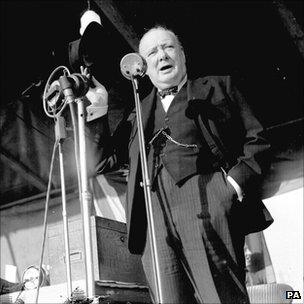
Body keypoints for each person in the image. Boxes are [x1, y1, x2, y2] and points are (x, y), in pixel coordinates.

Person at [84, 25, 273, 303]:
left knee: (219, 295)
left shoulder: (220, 86)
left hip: (207, 200)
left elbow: (257, 140)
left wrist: (230, 186)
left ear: (182, 55)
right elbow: (101, 161)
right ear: (142, 68)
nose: (161, 55)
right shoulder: (138, 112)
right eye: (152, 52)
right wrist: (97, 109)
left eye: (168, 47)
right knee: (168, 297)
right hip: (153, 213)